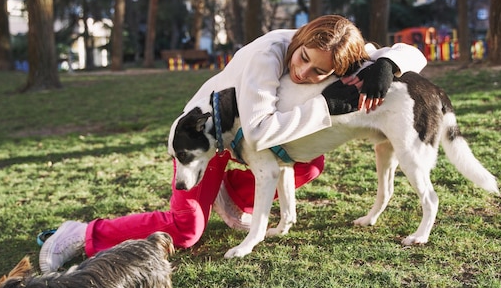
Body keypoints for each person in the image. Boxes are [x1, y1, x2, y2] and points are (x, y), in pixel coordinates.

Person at [38, 15, 427, 273]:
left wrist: (388, 64)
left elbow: (411, 52)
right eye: (304, 57)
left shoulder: (333, 52)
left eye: (319, 72)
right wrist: (326, 105)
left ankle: (232, 195)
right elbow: (260, 132)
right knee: (186, 230)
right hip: (201, 138)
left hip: (244, 139)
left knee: (310, 162)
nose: (302, 70)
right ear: (302, 38)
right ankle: (81, 234)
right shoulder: (267, 55)